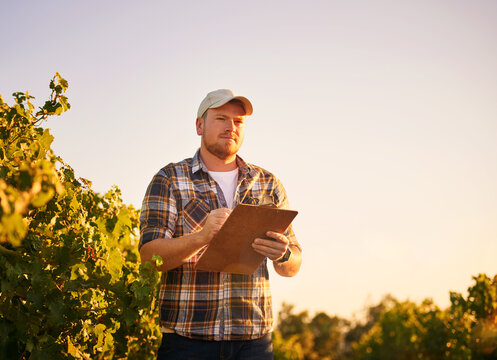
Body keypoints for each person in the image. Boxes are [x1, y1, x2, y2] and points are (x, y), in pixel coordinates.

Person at [139, 89, 302, 359]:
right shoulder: (169, 179)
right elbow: (148, 258)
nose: (231, 127)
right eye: (221, 118)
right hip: (187, 343)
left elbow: (293, 264)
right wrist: (200, 237)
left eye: (238, 122)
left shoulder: (267, 183)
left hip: (254, 345)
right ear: (199, 125)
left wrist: (283, 253)